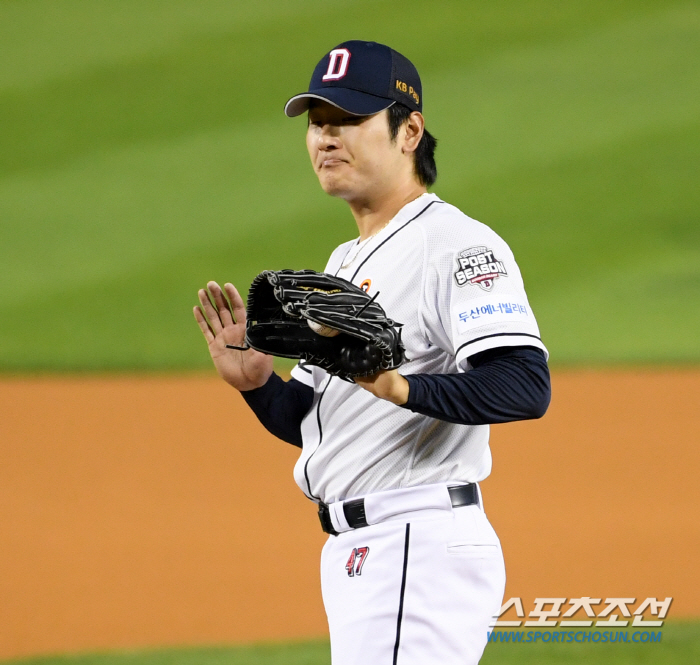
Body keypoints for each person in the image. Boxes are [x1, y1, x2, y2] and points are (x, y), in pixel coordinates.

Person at [194, 40, 551, 665]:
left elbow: (525, 386)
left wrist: (399, 387)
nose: (326, 139)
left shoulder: (456, 245)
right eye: (317, 124)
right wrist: (257, 385)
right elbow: (312, 422)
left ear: (409, 130)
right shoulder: (346, 262)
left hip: (415, 541)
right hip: (367, 550)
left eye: (349, 121)